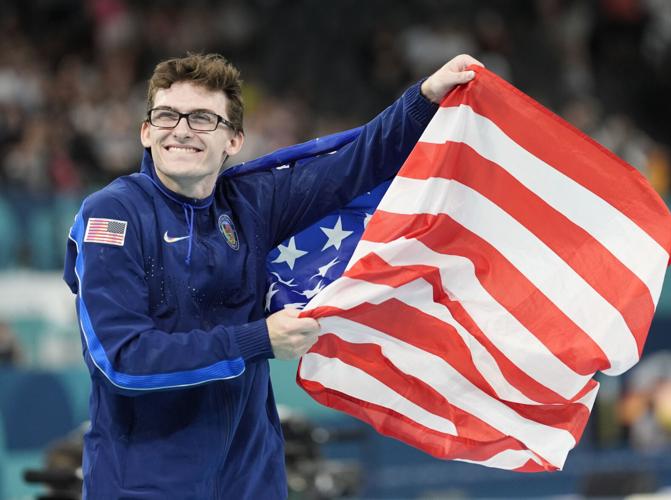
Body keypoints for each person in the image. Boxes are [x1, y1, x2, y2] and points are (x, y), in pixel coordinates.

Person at [63, 52, 481, 499]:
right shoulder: (114, 214)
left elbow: (355, 163)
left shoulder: (248, 204)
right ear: (146, 131)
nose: (181, 129)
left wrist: (424, 99)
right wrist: (258, 340)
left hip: (251, 481)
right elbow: (122, 360)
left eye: (203, 118)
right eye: (167, 115)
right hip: (143, 487)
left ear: (235, 140)